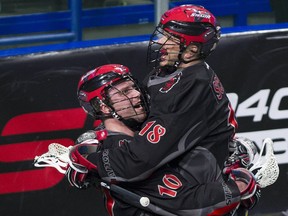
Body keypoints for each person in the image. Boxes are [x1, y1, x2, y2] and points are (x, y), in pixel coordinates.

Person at [67, 63, 259, 215]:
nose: (136, 94)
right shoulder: (122, 157)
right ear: (103, 107)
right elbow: (193, 204)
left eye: (133, 87)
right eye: (125, 92)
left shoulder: (142, 134)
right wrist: (240, 186)